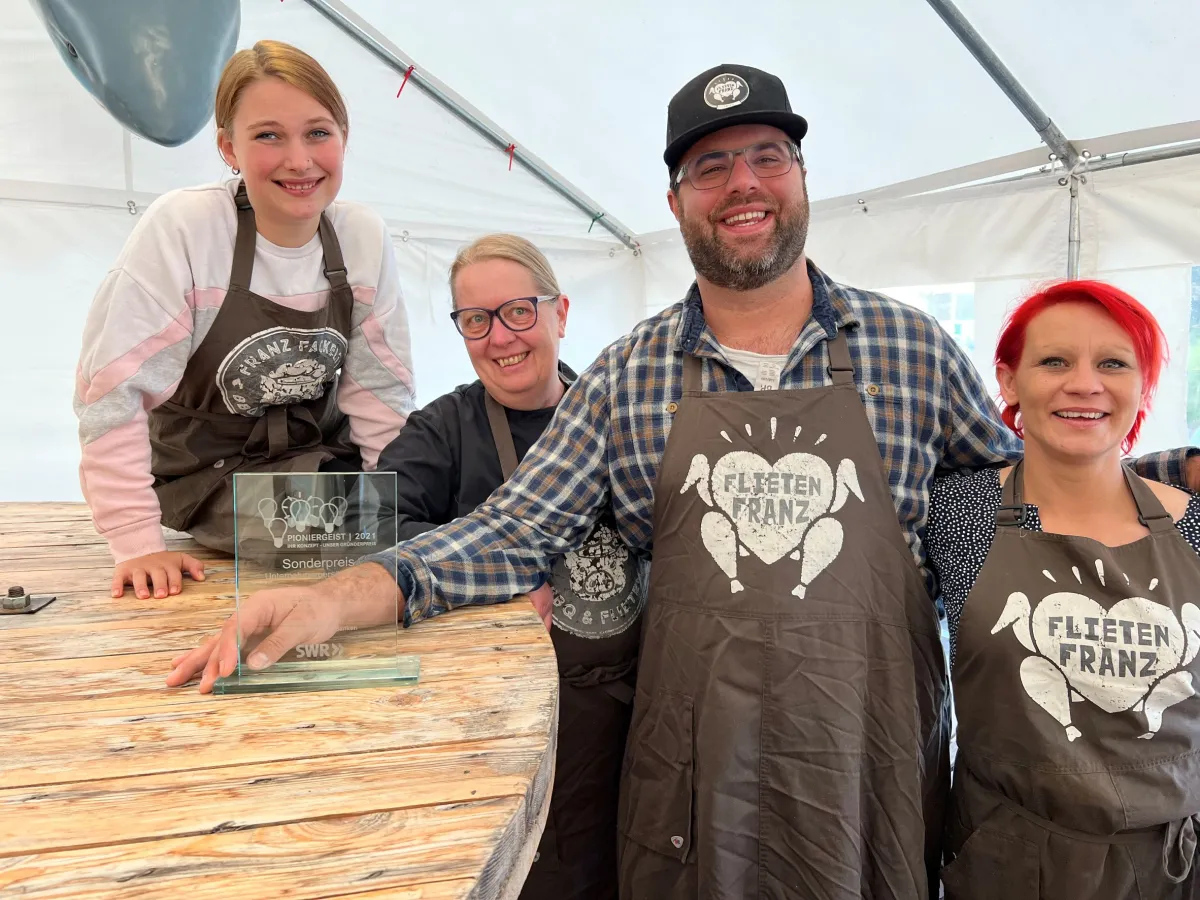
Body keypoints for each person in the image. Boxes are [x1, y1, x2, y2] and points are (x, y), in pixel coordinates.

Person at [168, 64, 1200, 899]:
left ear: (801, 178)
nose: (743, 183)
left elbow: (1022, 501)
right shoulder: (629, 374)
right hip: (701, 769)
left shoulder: (912, 349)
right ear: (676, 203)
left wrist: (1171, 487)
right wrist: (336, 597)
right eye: (711, 167)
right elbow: (511, 530)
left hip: (870, 761)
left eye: (766, 157)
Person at [74, 40, 416, 603]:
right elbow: (111, 393)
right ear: (228, 147)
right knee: (320, 528)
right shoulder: (187, 228)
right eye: (268, 136)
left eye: (318, 132)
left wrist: (398, 508)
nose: (299, 160)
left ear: (344, 137)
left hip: (324, 460)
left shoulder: (362, 237)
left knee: (441, 490)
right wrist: (136, 542)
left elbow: (381, 393)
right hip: (210, 473)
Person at [374, 233, 646, 900]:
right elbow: (372, 526)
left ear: (560, 313)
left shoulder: (625, 418)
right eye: (476, 320)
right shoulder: (442, 430)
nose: (500, 337)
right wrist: (491, 587)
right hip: (503, 725)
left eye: (519, 311)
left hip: (631, 716)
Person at [926, 281, 1200, 898]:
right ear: (1009, 381)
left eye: (1114, 363)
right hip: (1006, 857)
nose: (1084, 384)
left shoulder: (1195, 525)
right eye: (1054, 361)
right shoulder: (956, 514)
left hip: (1173, 866)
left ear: (1144, 386)